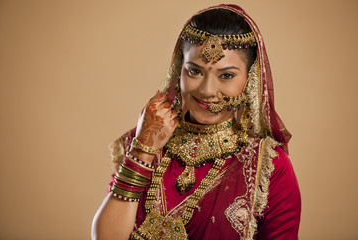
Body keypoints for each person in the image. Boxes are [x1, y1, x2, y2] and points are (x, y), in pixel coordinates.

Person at [92, 4, 301, 240]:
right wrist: (143, 150)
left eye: (226, 76)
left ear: (250, 79)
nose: (206, 90)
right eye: (194, 71)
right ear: (178, 70)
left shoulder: (268, 166)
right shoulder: (145, 141)